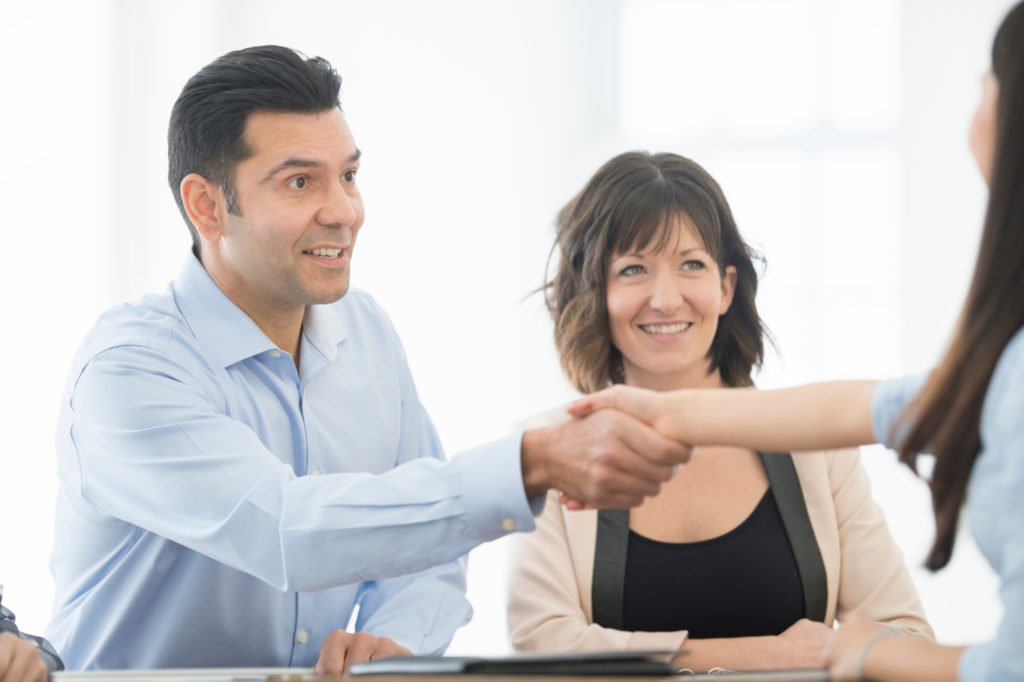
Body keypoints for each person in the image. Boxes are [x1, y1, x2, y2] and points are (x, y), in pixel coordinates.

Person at [47, 46, 690, 673]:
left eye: (348, 176)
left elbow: (428, 557)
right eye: (301, 182)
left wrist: (394, 637)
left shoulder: (366, 331)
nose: (345, 212)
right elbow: (285, 529)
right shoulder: (129, 371)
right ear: (206, 206)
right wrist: (531, 464)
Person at [568, 4, 1024, 680]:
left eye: (991, 78)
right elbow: (874, 405)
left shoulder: (1003, 381)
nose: (664, 297)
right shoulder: (564, 454)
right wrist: (658, 413)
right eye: (634, 269)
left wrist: (872, 650)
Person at [506, 152, 933, 673]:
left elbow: (907, 634)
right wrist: (754, 656)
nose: (665, 299)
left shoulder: (814, 444)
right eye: (634, 269)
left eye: (692, 264)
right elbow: (541, 645)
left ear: (726, 286)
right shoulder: (545, 447)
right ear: (596, 291)